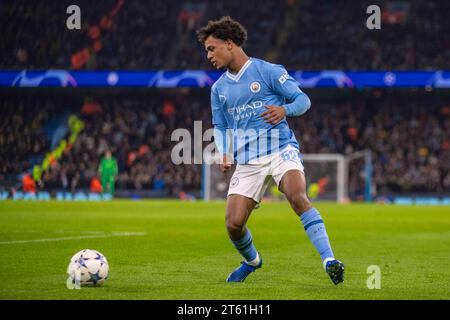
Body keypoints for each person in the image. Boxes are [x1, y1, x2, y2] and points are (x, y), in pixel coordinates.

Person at [196, 16, 345, 284]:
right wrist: (225, 151)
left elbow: (304, 100)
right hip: (248, 160)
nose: (208, 55)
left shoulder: (267, 71)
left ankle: (329, 260)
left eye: (211, 48)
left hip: (280, 149)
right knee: (233, 224)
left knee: (297, 195)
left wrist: (284, 109)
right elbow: (220, 125)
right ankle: (253, 261)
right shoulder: (218, 89)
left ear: (229, 44)